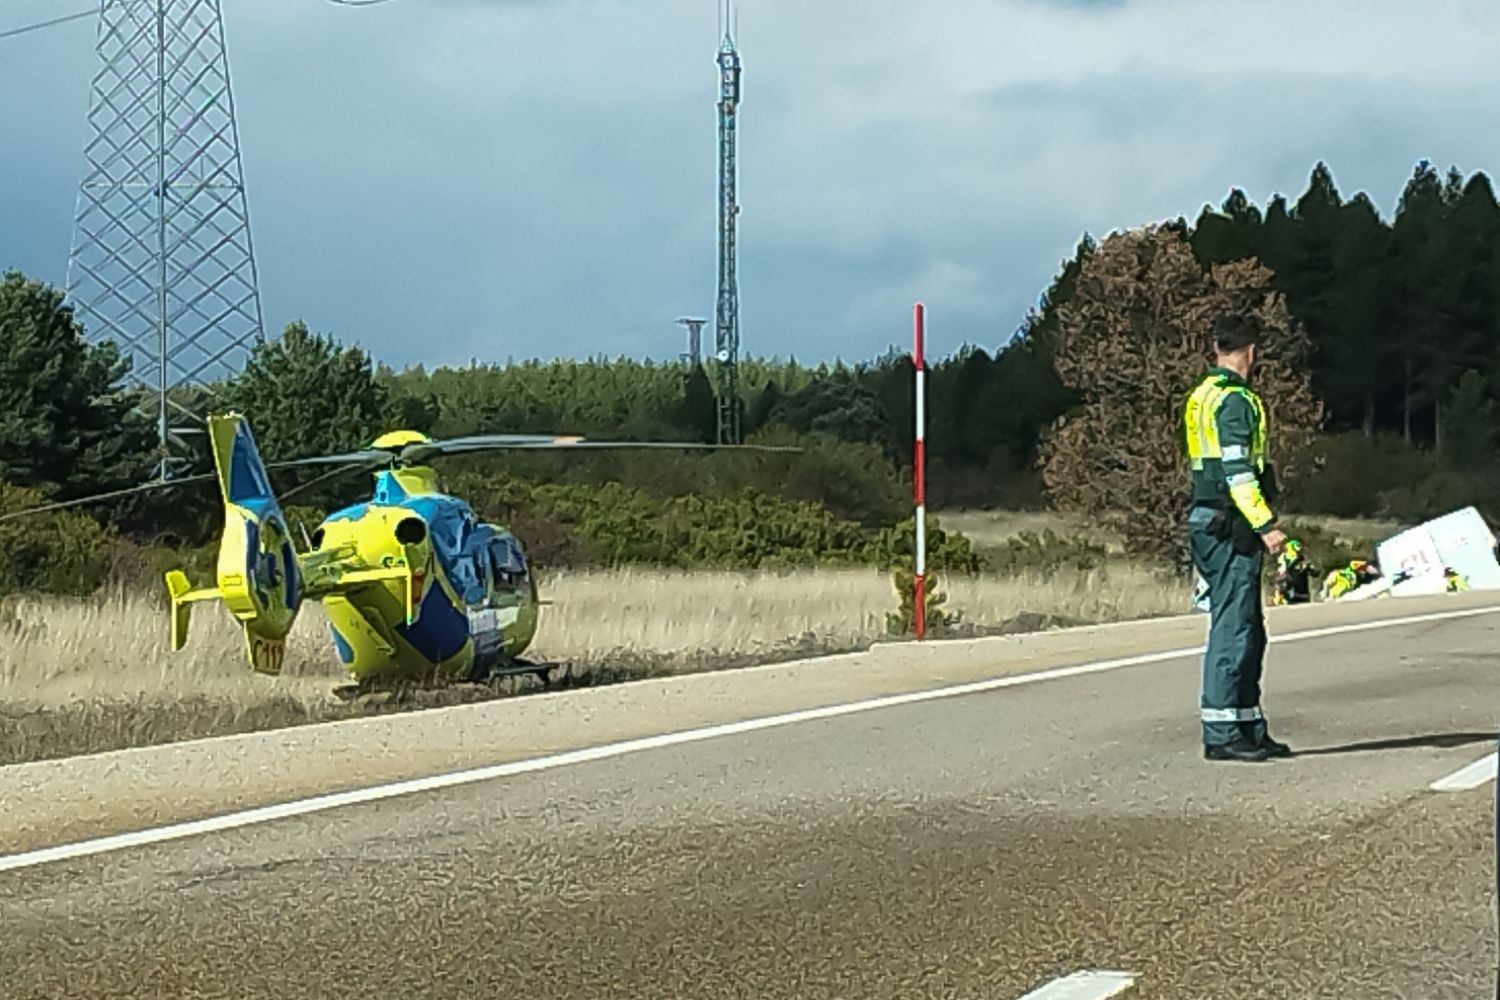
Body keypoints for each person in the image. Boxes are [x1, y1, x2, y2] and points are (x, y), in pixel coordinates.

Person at [1182, 313, 1291, 763]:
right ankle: (1224, 729)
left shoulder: (1202, 396)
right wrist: (1267, 526)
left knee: (1248, 626)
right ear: (1251, 350)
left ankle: (1246, 722)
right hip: (1231, 525)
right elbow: (1237, 471)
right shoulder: (1234, 402)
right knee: (1235, 627)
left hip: (1210, 518)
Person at [1270, 538, 1315, 606]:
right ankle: (1278, 598)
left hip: (1302, 589)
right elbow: (1284, 570)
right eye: (1296, 546)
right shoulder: (1284, 557)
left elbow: (1312, 571)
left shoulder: (1302, 558)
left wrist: (1310, 568)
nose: (1298, 550)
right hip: (1289, 589)